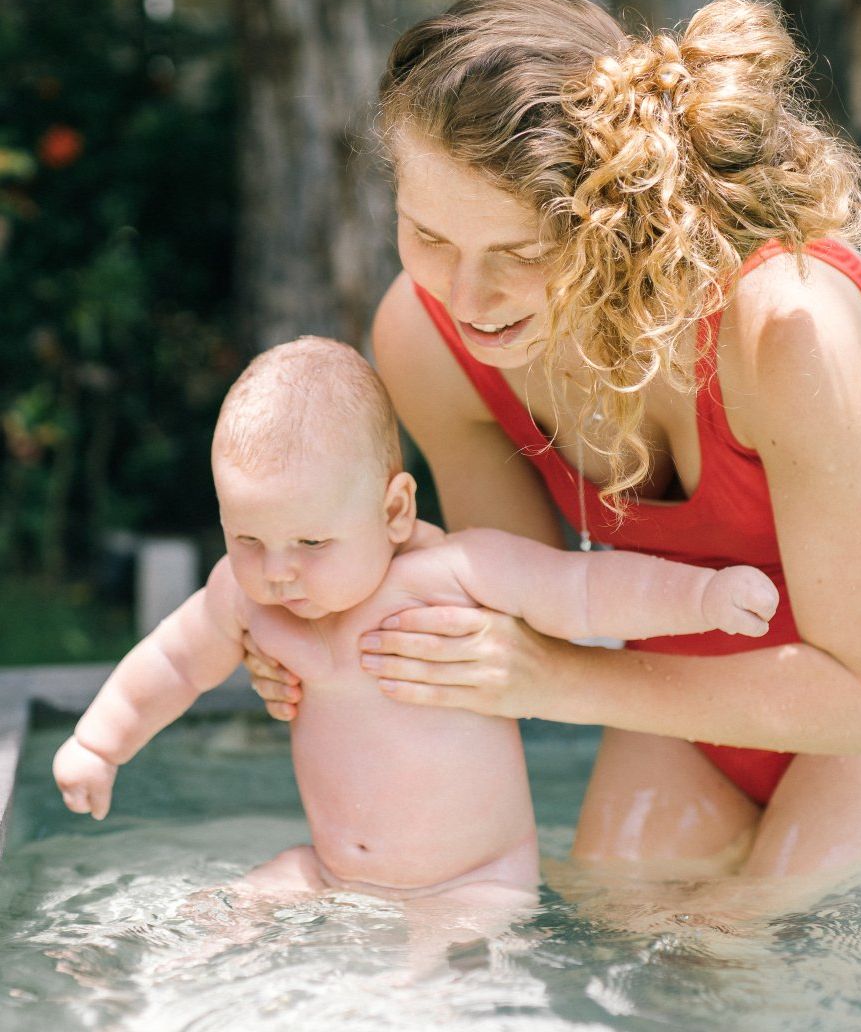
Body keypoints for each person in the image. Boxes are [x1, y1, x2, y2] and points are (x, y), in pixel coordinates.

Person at [245, 0, 861, 885]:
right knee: (627, 951)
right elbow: (509, 602)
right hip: (676, 666)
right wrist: (326, 627)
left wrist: (551, 682)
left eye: (522, 254)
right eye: (428, 235)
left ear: (620, 221)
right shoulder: (425, 338)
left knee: (782, 965)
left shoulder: (781, 326)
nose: (467, 296)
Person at [52, 335, 777, 907]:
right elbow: (174, 663)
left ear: (395, 511)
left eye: (310, 543)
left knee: (439, 992)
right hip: (332, 874)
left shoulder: (454, 576)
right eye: (247, 540)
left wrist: (702, 599)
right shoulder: (246, 600)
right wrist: (99, 742)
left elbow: (585, 590)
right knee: (220, 915)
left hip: (476, 883)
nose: (278, 571)